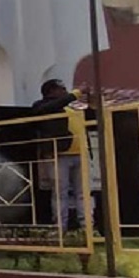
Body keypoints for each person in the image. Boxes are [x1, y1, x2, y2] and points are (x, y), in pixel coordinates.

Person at [32, 80, 86, 231]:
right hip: (58, 155)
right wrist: (75, 94)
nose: (65, 92)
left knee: (82, 193)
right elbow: (45, 110)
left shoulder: (69, 107)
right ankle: (60, 227)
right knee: (60, 193)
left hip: (79, 153)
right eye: (62, 89)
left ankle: (86, 227)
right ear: (51, 91)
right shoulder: (41, 106)